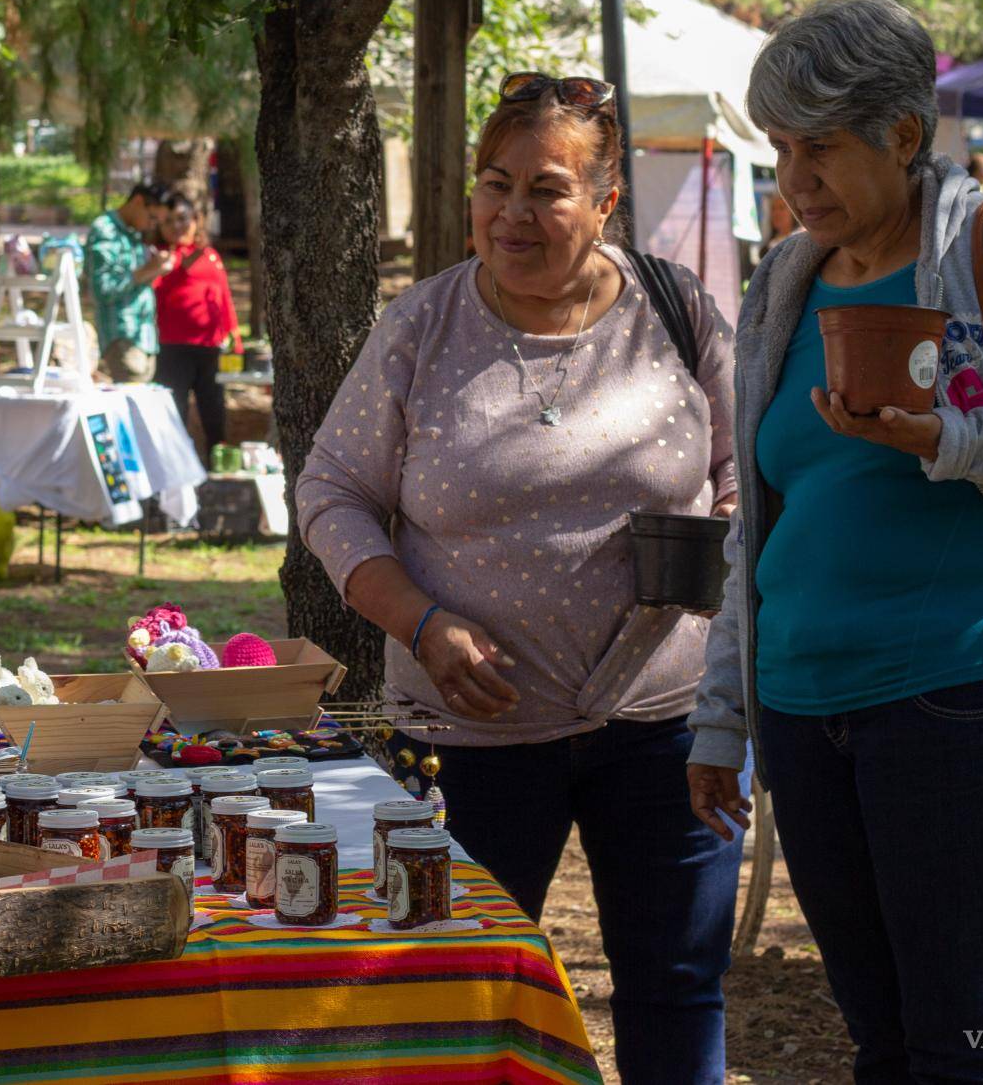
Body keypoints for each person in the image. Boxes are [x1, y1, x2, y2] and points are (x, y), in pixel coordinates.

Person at [686, 0, 983, 1084]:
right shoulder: (783, 281)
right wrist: (722, 718)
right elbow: (758, 524)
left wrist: (949, 435)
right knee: (879, 1037)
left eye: (817, 151)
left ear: (901, 136)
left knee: (965, 1032)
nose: (792, 180)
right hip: (802, 712)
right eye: (778, 150)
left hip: (955, 699)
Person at [299, 73, 742, 1084]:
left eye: (547, 189)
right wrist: (421, 623)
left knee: (676, 988)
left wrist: (716, 547)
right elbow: (331, 492)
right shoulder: (419, 327)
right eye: (493, 184)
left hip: (667, 728)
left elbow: (743, 475)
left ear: (603, 204)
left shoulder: (677, 314)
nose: (512, 214)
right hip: (468, 738)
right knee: (454, 1000)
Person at [151, 193, 240, 454]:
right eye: (168, 222)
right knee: (174, 410)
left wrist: (233, 333)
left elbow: (223, 297)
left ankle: (217, 461)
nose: (176, 226)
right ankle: (176, 468)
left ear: (195, 220)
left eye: (182, 219)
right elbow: (161, 282)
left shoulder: (210, 256)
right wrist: (168, 265)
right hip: (172, 348)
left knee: (213, 409)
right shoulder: (160, 258)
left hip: (210, 347)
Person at [87, 180, 175, 381]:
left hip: (145, 337)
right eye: (152, 217)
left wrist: (155, 269)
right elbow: (102, 290)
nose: (153, 225)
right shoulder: (105, 230)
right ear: (137, 201)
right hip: (122, 337)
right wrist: (148, 270)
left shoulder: (133, 233)